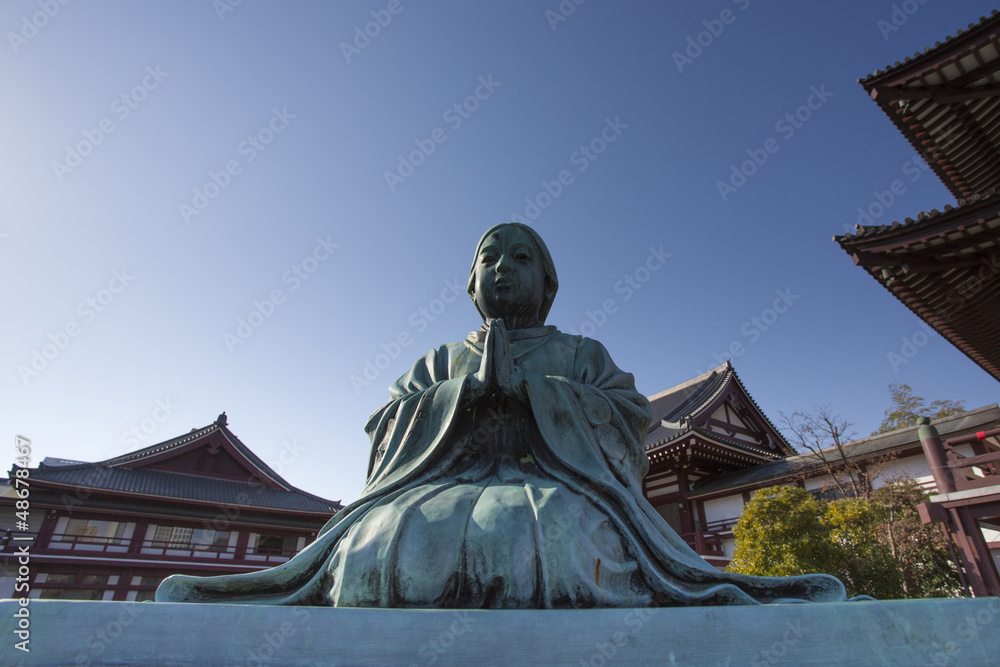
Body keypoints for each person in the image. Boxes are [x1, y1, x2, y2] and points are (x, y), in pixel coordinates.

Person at [156, 223, 849, 607]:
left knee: (544, 539)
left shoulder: (581, 353)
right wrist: (464, 393)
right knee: (375, 543)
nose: (503, 268)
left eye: (521, 257)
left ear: (547, 284)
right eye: (489, 258)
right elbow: (385, 425)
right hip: (432, 489)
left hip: (562, 491)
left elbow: (629, 417)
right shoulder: (438, 359)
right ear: (471, 283)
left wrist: (534, 394)